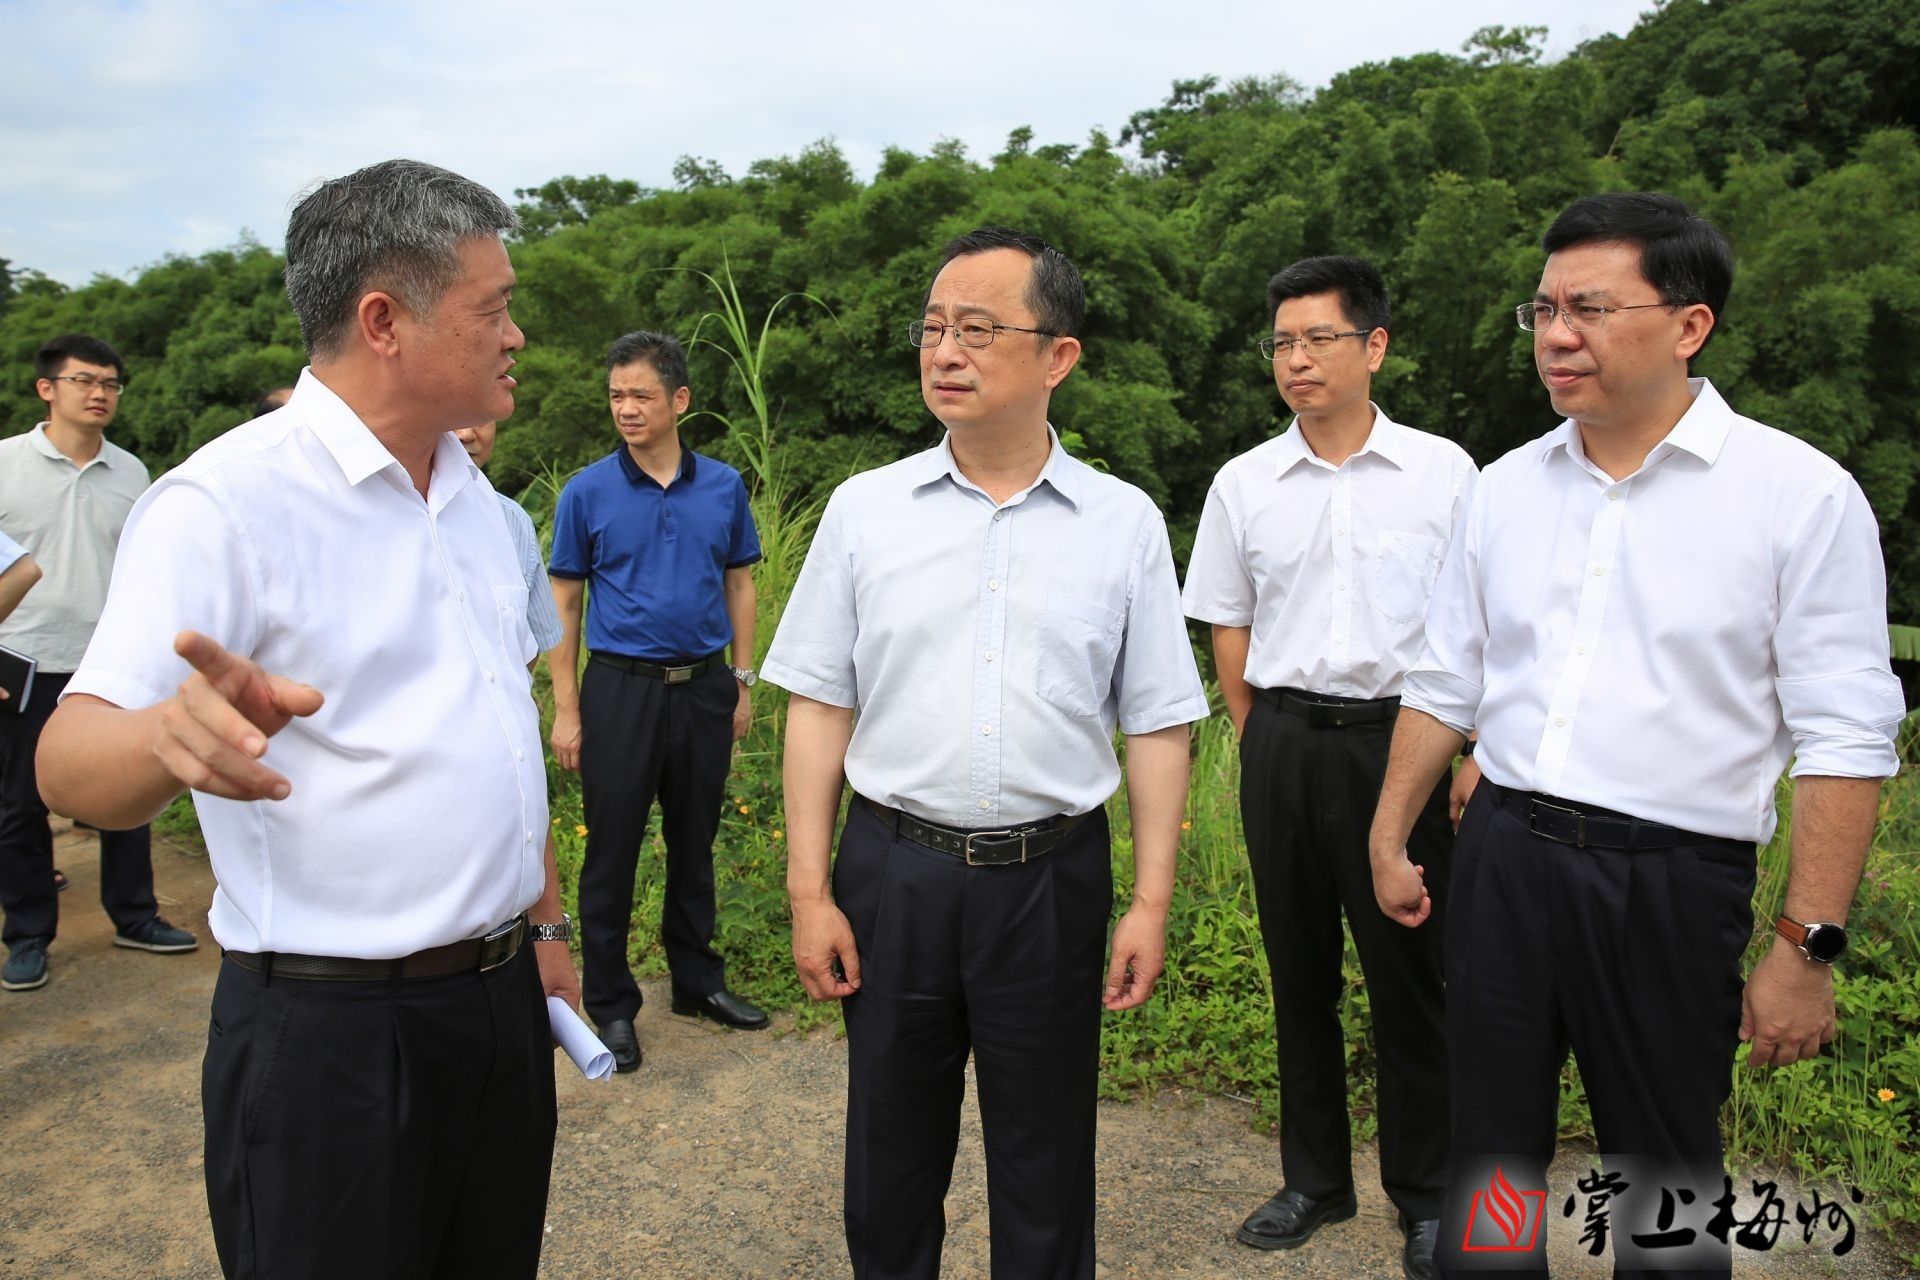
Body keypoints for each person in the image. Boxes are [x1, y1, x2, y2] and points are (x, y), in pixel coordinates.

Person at [35, 158, 580, 1279]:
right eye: (493, 308)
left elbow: (494, 737)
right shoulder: (225, 503)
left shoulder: (479, 505)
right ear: (384, 321)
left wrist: (545, 928)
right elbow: (67, 762)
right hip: (333, 1034)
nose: (516, 334)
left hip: (496, 1006)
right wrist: (166, 735)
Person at [1368, 192, 1903, 1277]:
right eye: (1544, 310)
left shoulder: (1797, 495)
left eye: (1592, 309)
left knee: (1666, 1177)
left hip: (1670, 879)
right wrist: (1389, 831)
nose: (1557, 335)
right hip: (1506, 859)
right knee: (1491, 1156)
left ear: (1690, 324)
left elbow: (1846, 736)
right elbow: (1447, 675)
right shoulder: (1506, 487)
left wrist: (1806, 947)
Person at [764, 226, 1208, 1279]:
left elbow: (1157, 720)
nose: (945, 352)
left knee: (1046, 1155)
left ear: (1059, 355)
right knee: (889, 1150)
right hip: (894, 872)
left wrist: (1149, 901)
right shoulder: (867, 511)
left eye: (977, 329)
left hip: (1050, 879)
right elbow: (819, 704)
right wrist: (809, 890)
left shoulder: (1122, 522)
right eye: (932, 329)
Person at [1183, 256, 1472, 1279]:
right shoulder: (1245, 482)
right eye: (1282, 343)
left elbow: (1478, 623)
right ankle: (1314, 1178)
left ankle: (1427, 1194)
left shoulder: (1444, 472)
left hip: (1408, 744)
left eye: (1318, 339)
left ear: (1374, 345)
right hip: (1286, 741)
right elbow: (1228, 619)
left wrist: (1471, 750)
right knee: (1297, 969)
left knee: (1413, 975)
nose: (1296, 360)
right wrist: (1259, 733)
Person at [547, 330, 766, 1072]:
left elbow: (739, 583)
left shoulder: (723, 487)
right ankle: (611, 1005)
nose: (627, 408)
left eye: (641, 394)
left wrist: (741, 682)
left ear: (680, 400)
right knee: (611, 851)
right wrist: (567, 708)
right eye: (616, 396)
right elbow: (566, 603)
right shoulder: (587, 492)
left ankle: (697, 982)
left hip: (704, 687)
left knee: (695, 842)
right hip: (620, 689)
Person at [1, 334, 196, 994]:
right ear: (46, 388)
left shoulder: (133, 472)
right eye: (84, 380)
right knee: (20, 805)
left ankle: (135, 916)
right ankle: (28, 934)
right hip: (25, 658)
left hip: (114, 661)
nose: (99, 394)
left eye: (110, 384)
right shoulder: (5, 464)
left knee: (127, 796)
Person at [453, 420, 564, 654]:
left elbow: (534, 643)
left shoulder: (515, 522)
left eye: (481, 416)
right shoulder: (383, 514)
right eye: (454, 416)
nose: (466, 434)